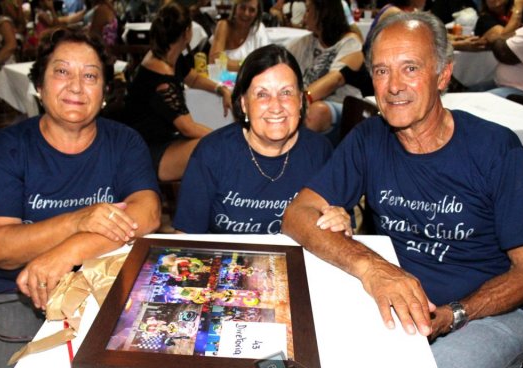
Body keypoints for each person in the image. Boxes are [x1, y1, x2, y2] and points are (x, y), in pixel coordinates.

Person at [282, 12, 523, 368]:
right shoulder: (370, 138)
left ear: (443, 75)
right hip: (398, 308)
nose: (393, 86)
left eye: (410, 68)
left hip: (492, 315)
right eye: (381, 71)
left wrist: (456, 313)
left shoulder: (495, 148)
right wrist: (373, 269)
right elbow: (296, 215)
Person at [0, 27, 161, 368]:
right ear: (38, 85)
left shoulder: (124, 142)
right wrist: (78, 219)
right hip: (13, 293)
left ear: (105, 91)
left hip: (106, 285)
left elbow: (148, 214)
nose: (76, 86)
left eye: (90, 75)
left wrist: (67, 252)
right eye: (62, 71)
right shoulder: (6, 148)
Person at [173, 44, 350, 235]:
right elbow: (186, 236)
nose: (276, 106)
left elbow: (340, 226)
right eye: (262, 94)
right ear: (244, 104)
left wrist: (340, 222)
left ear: (300, 100)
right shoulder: (212, 153)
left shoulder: (320, 152)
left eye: (286, 92)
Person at [125, 2, 232, 181]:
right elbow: (188, 128)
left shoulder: (169, 55)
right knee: (216, 148)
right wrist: (228, 140)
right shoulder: (161, 78)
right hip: (145, 153)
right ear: (187, 32)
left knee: (216, 147)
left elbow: (194, 79)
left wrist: (220, 89)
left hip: (160, 140)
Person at [286, 0, 363, 145]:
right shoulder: (305, 42)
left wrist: (301, 100)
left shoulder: (350, 42)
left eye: (309, 10)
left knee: (315, 113)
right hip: (305, 102)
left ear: (322, 14)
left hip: (340, 105)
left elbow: (335, 79)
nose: (305, 15)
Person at [209, 0, 269, 72]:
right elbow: (214, 61)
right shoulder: (223, 26)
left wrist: (231, 64)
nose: (246, 13)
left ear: (257, 13)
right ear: (235, 8)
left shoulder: (259, 29)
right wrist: (249, 65)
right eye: (242, 8)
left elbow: (266, 62)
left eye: (252, 10)